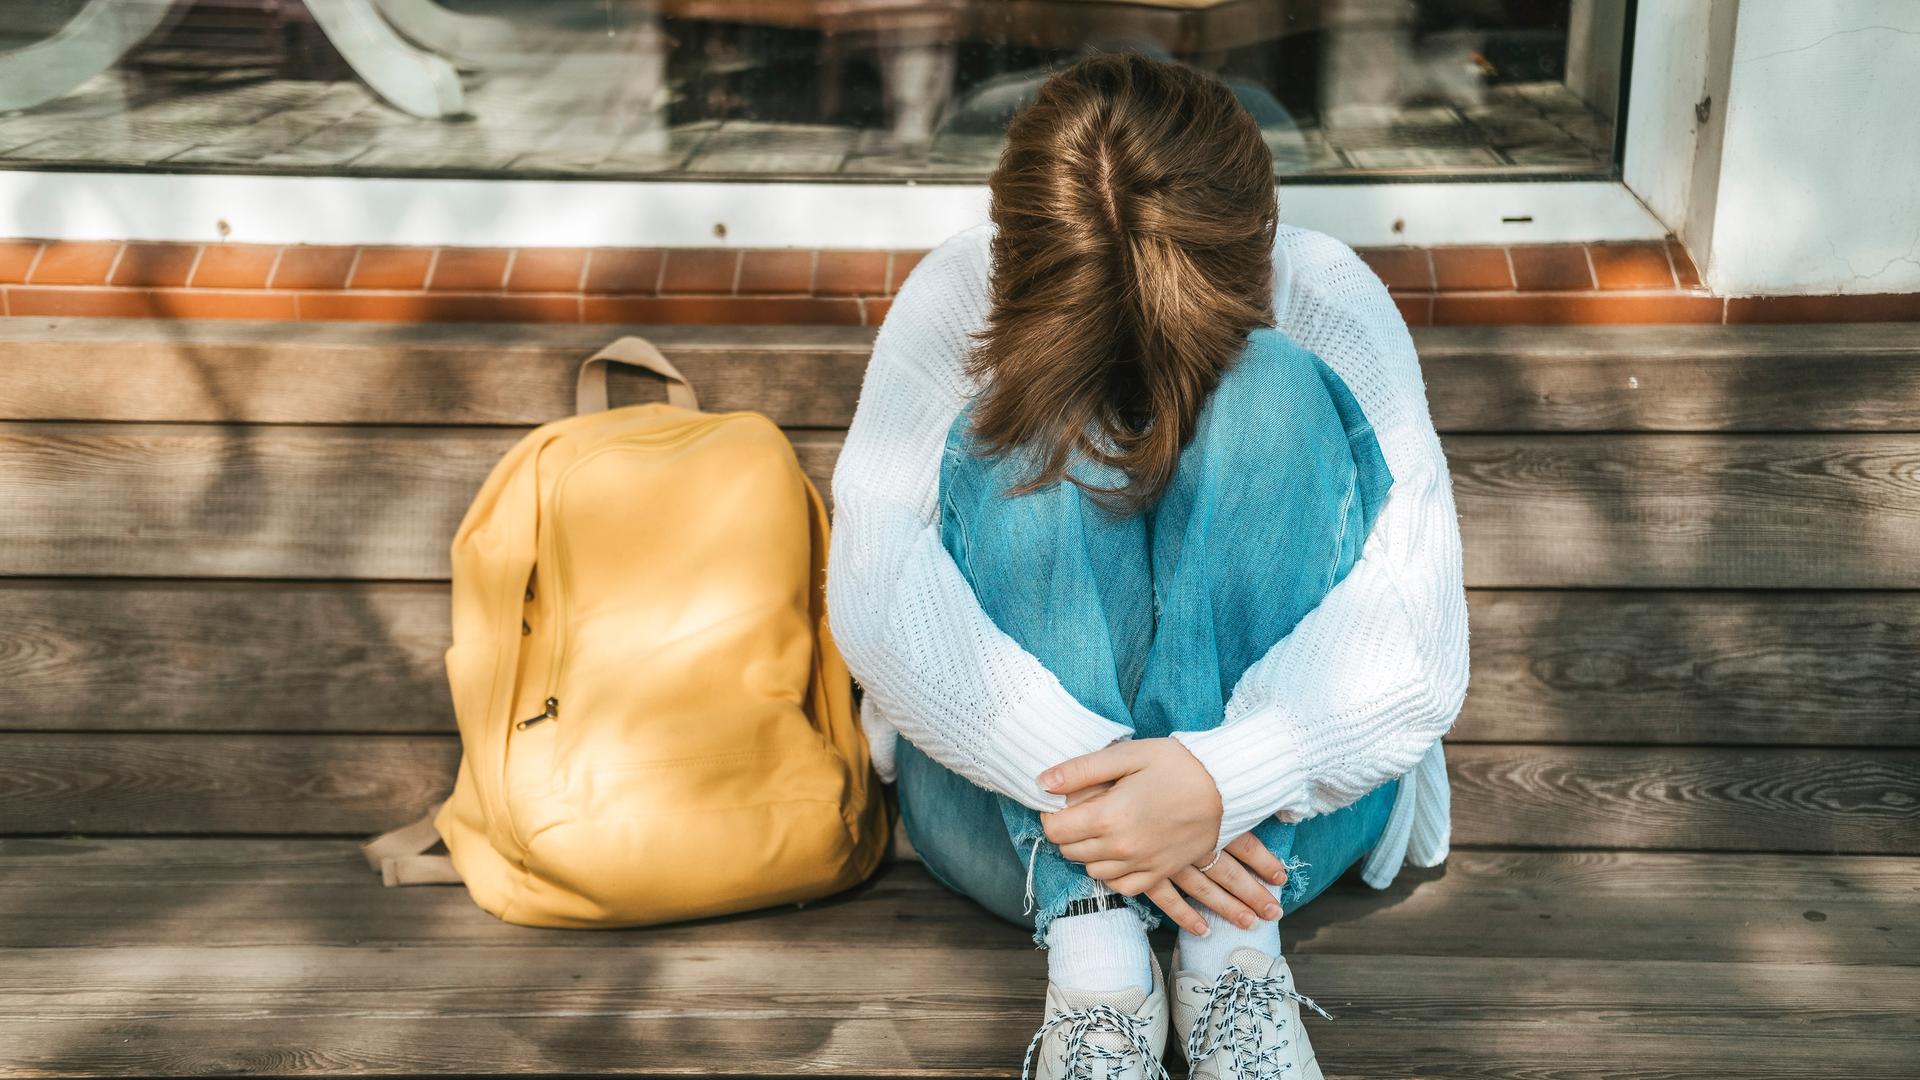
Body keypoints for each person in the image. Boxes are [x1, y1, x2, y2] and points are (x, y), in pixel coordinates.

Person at [824, 51, 1469, 1080]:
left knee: (1265, 385)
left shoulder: (1326, 298)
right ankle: (1097, 972)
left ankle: (1232, 970)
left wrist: (1220, 781)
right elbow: (876, 592)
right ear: (1010, 253)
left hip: (1283, 831)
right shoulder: (961, 292)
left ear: (1261, 247)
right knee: (1038, 398)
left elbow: (1420, 641)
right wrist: (1108, 799)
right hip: (1017, 827)